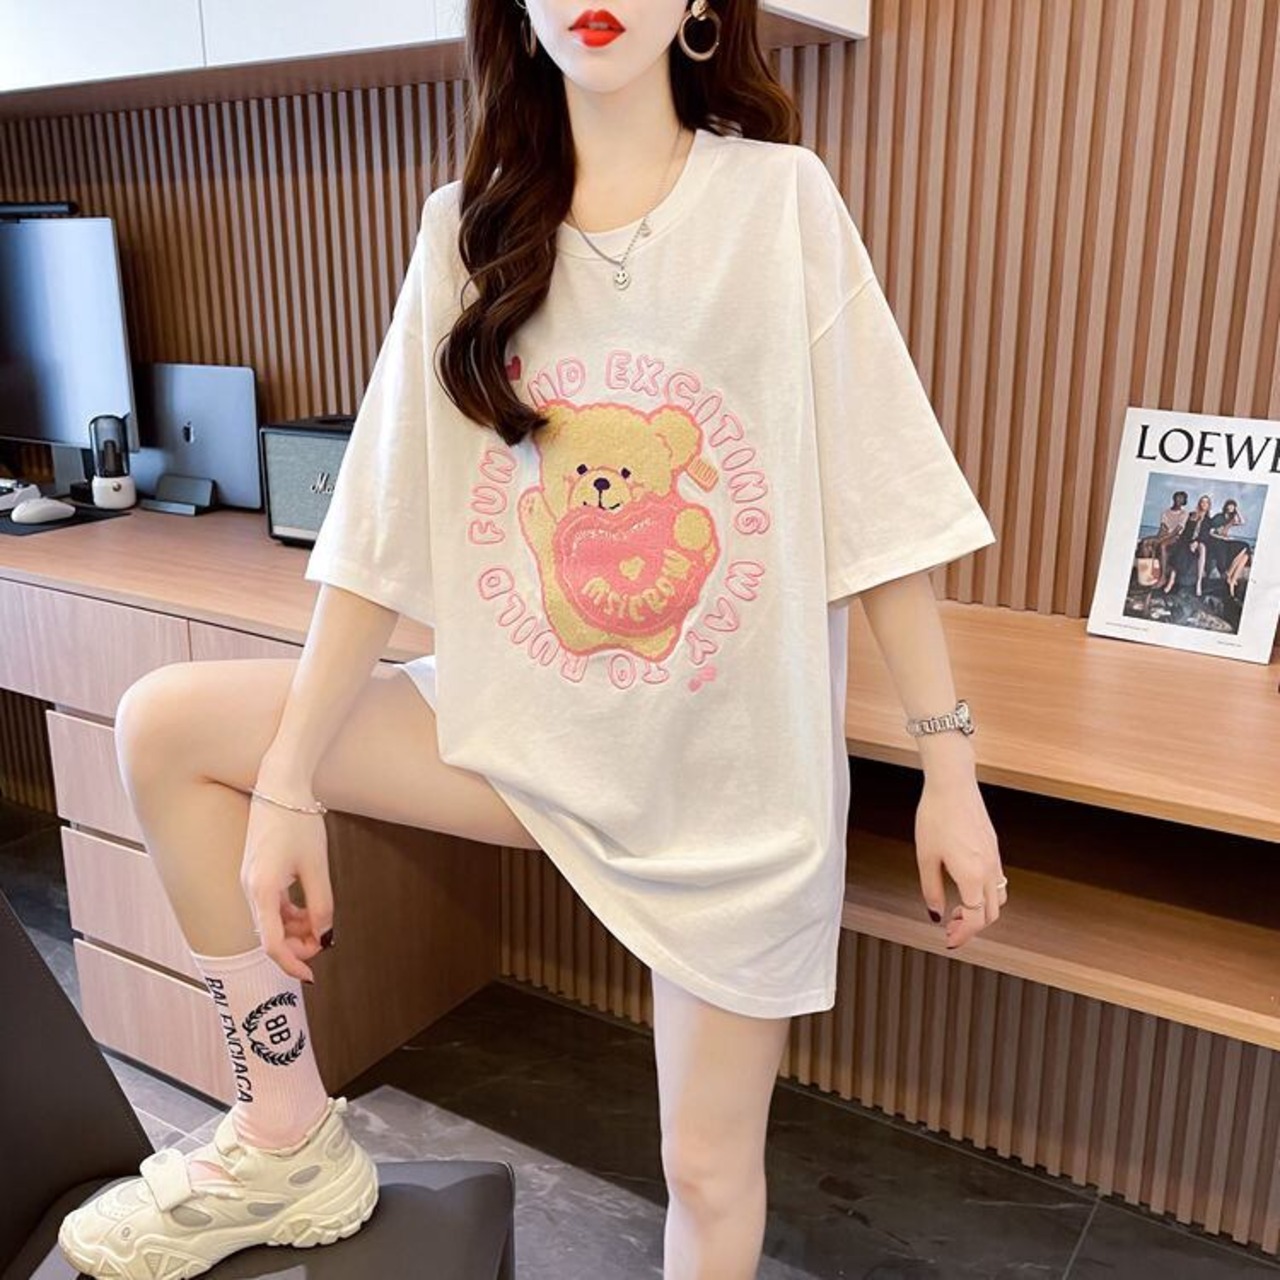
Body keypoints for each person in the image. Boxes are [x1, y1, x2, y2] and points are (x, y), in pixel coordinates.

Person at [58, 2, 1008, 1277]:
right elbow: (375, 529)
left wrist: (947, 765)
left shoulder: (779, 202)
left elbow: (881, 503)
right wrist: (288, 780)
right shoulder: (467, 232)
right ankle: (282, 1132)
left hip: (727, 785)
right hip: (523, 732)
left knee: (706, 1169)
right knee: (165, 725)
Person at [1166, 494, 1213, 597]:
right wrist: (1188, 541)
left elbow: (1205, 535)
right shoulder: (1192, 515)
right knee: (1180, 549)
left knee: (1203, 548)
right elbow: (1186, 531)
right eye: (1202, 501)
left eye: (1206, 502)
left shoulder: (1209, 520)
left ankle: (1199, 583)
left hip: (1200, 542)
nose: (1204, 504)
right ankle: (1171, 581)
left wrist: (1196, 541)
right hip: (1187, 540)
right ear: (1199, 503)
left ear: (1209, 505)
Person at [1206, 498, 1252, 600]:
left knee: (1246, 551)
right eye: (1230, 505)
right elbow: (1210, 532)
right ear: (1226, 506)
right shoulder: (1219, 517)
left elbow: (1242, 521)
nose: (1231, 508)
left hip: (1226, 541)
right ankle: (1230, 577)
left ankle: (1232, 578)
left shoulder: (1231, 519)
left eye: (1233, 506)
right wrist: (1220, 536)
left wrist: (1237, 510)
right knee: (1244, 547)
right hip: (1217, 541)